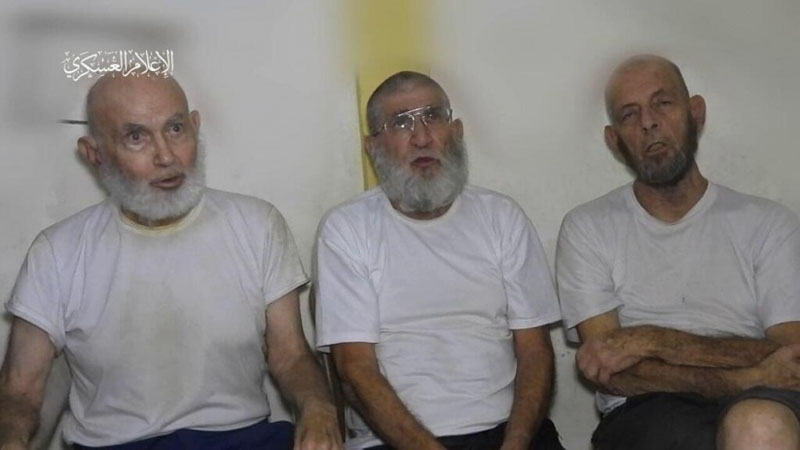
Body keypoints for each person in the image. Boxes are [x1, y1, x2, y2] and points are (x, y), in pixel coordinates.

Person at [0, 74, 341, 450]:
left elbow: (290, 355)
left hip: (241, 440)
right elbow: (20, 390)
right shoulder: (57, 252)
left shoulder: (257, 225)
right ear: (94, 153)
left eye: (175, 129)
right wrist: (11, 439)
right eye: (136, 137)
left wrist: (319, 409)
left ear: (195, 127)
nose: (166, 156)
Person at [556, 54, 800, 450]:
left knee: (759, 425)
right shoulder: (588, 227)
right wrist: (745, 374)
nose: (648, 123)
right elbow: (611, 371)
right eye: (629, 114)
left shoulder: (769, 223)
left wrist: (651, 341)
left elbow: (792, 356)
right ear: (614, 140)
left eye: (663, 103)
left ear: (695, 113)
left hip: (765, 399)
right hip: (647, 409)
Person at [315, 71, 565, 450]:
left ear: (456, 131)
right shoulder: (347, 229)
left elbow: (535, 351)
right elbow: (355, 369)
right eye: (400, 123)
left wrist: (515, 443)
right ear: (373, 146)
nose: (421, 137)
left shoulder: (502, 217)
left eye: (432, 116)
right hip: (394, 441)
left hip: (509, 432)